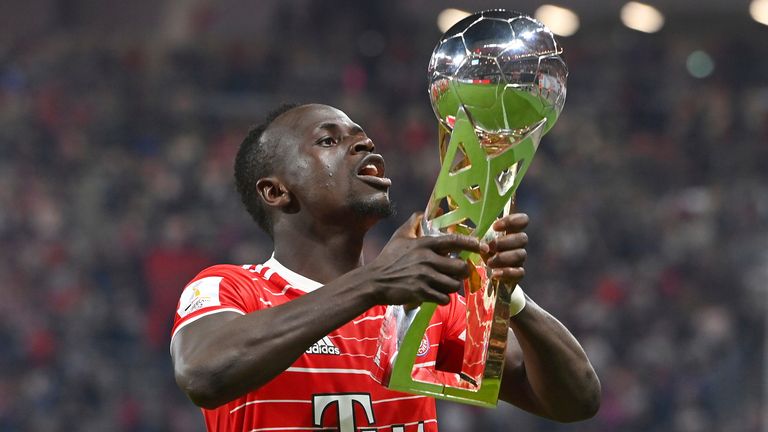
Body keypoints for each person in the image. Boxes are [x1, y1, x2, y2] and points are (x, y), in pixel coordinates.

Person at [170, 103, 601, 431]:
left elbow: (575, 401)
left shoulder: (421, 301)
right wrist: (375, 282)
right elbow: (204, 372)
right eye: (328, 140)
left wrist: (510, 296)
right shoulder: (233, 288)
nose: (364, 144)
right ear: (275, 191)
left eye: (363, 138)